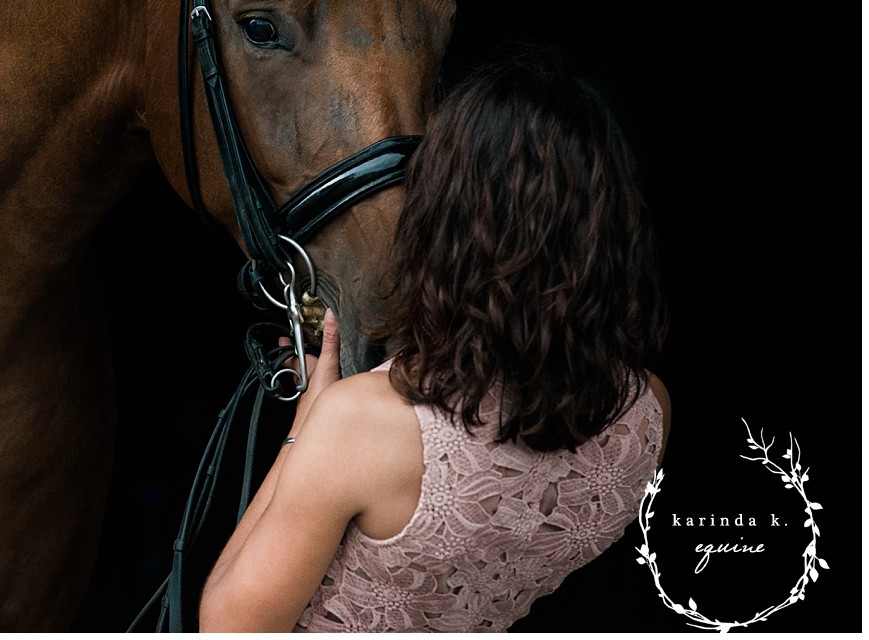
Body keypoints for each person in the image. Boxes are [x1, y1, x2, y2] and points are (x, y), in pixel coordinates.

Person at [198, 43, 672, 632]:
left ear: (444, 216)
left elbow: (226, 627)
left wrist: (308, 421)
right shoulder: (644, 412)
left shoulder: (358, 424)